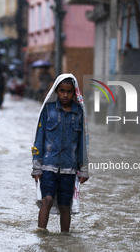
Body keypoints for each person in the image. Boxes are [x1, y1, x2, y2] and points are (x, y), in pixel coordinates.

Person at [31, 74, 89, 233]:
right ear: (56, 91)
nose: (65, 95)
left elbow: (83, 142)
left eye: (69, 91)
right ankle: (41, 237)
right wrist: (36, 166)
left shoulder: (79, 113)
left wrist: (84, 169)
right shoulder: (48, 111)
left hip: (69, 170)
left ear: (74, 92)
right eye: (62, 91)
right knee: (47, 200)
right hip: (48, 167)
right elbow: (39, 139)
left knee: (65, 206)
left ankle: (64, 241)